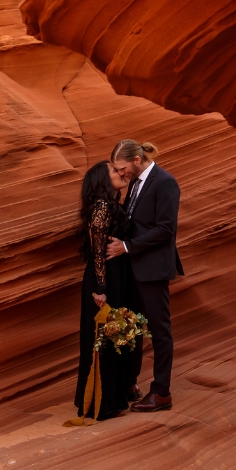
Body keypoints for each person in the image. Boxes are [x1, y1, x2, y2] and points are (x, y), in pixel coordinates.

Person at [107, 140, 183, 412]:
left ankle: (162, 393)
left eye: (122, 168)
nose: (121, 173)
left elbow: (165, 229)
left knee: (159, 331)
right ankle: (130, 382)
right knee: (132, 327)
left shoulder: (165, 182)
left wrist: (126, 246)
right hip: (133, 266)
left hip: (152, 268)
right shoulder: (136, 183)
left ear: (137, 160)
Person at [70, 160, 144, 422]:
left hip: (117, 276)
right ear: (103, 180)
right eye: (114, 171)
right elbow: (98, 250)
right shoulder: (101, 207)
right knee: (104, 339)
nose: (121, 174)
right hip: (104, 281)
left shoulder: (111, 205)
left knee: (115, 338)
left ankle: (113, 395)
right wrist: (101, 288)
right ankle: (102, 404)